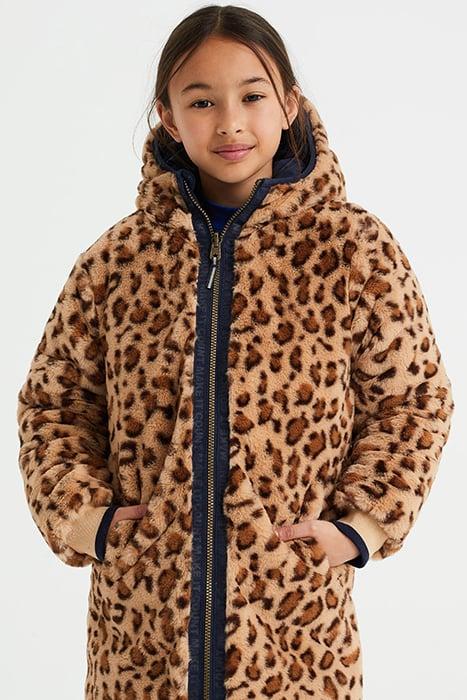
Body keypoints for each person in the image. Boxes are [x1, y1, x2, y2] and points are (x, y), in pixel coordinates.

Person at [16, 5, 454, 699]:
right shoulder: (117, 262)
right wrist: (87, 522)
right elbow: (53, 406)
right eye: (201, 101)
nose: (229, 123)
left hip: (295, 633)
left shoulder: (353, 251)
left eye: (252, 96)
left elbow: (415, 401)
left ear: (289, 105)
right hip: (141, 637)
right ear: (167, 116)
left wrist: (361, 527)